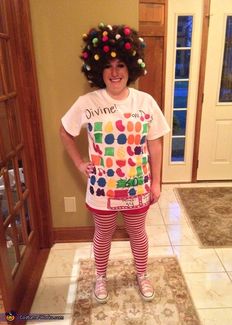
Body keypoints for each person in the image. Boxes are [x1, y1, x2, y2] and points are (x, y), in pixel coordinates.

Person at [60, 23, 170, 303]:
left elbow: (155, 143)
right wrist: (79, 164)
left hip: (137, 187)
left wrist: (157, 182)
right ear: (98, 69)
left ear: (130, 67)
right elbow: (65, 131)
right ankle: (100, 277)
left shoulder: (144, 102)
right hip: (102, 190)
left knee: (137, 233)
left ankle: (142, 274)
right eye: (108, 66)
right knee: (103, 234)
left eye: (121, 65)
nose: (115, 72)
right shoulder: (87, 102)